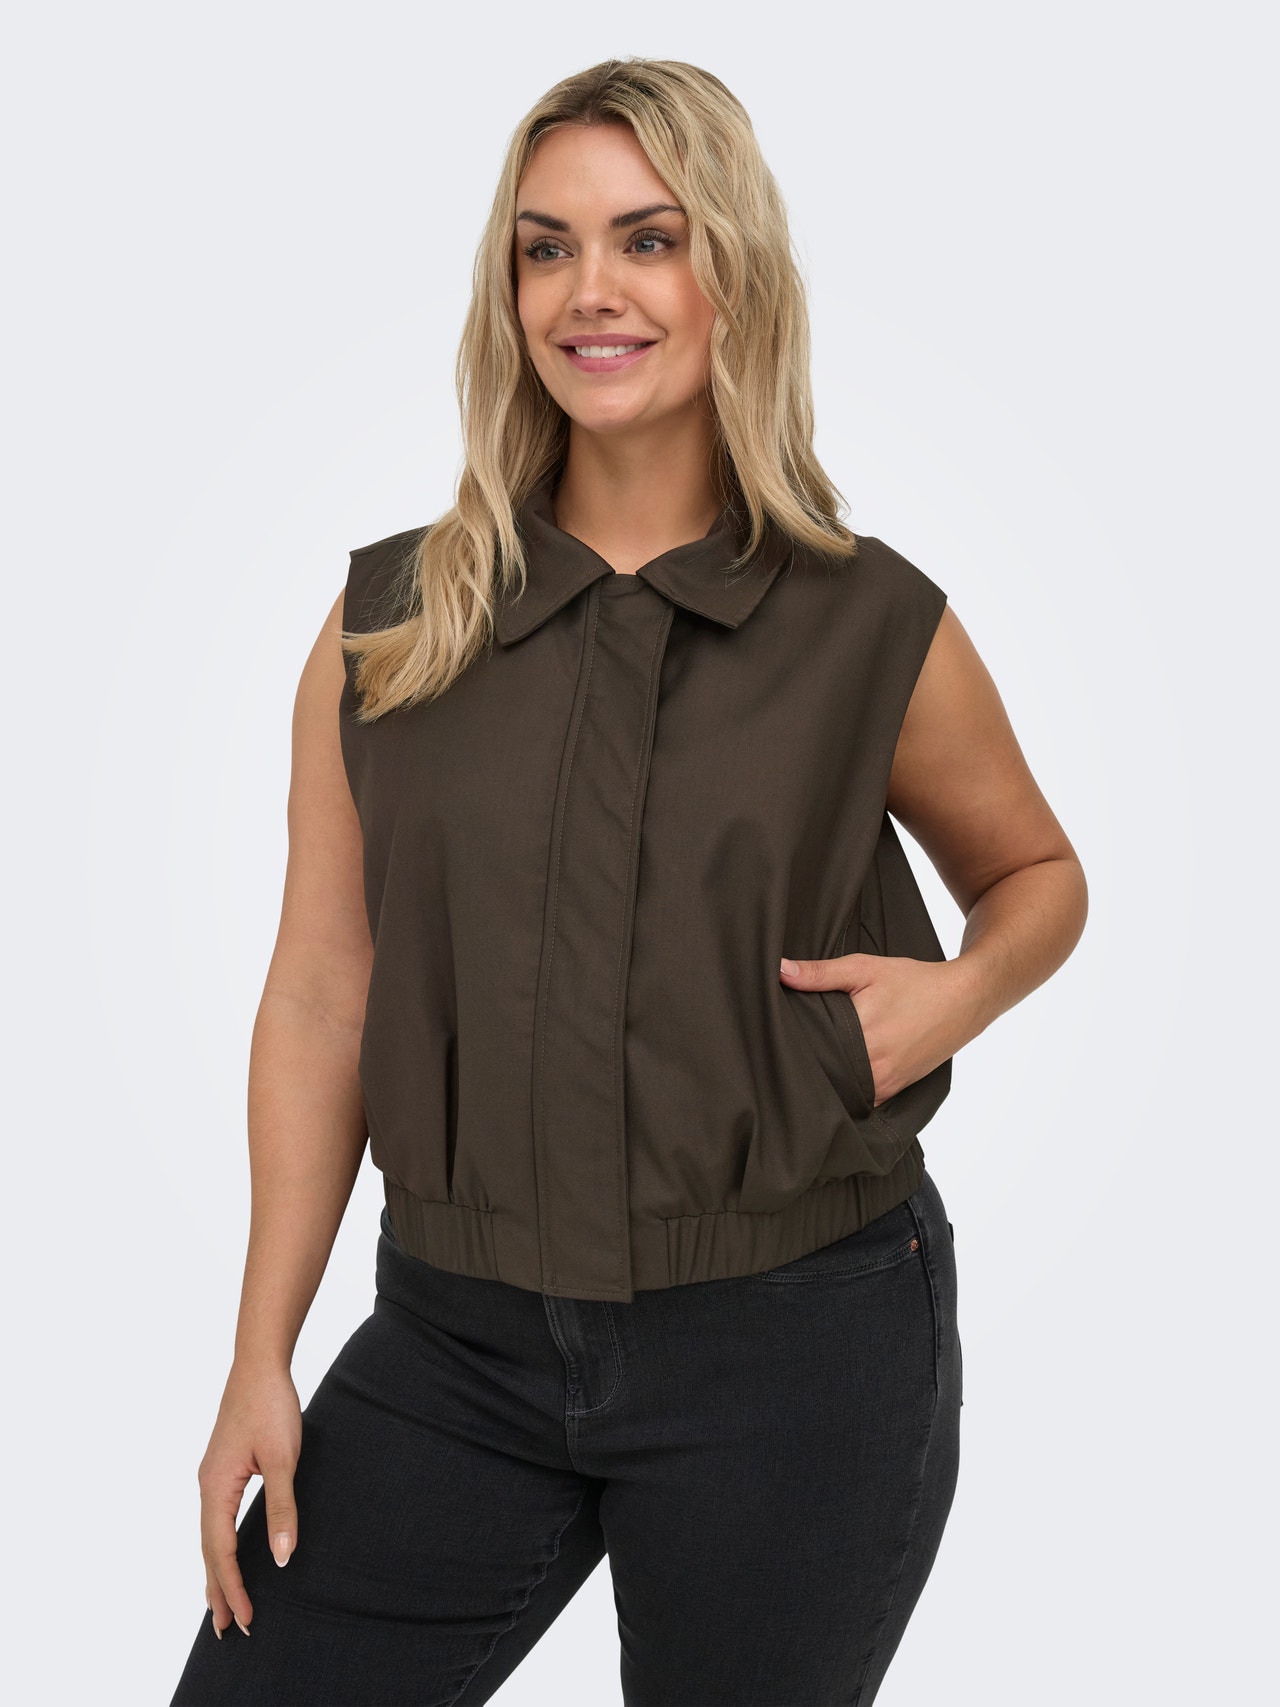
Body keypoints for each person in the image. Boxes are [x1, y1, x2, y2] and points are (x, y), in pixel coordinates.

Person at [170, 56, 1087, 1707]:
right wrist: (261, 1352)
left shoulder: (871, 623)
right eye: (547, 248)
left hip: (796, 1348)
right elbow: (321, 994)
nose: (590, 290)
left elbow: (1038, 874)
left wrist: (964, 990)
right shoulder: (392, 623)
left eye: (647, 239)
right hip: (452, 1346)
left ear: (732, 271)